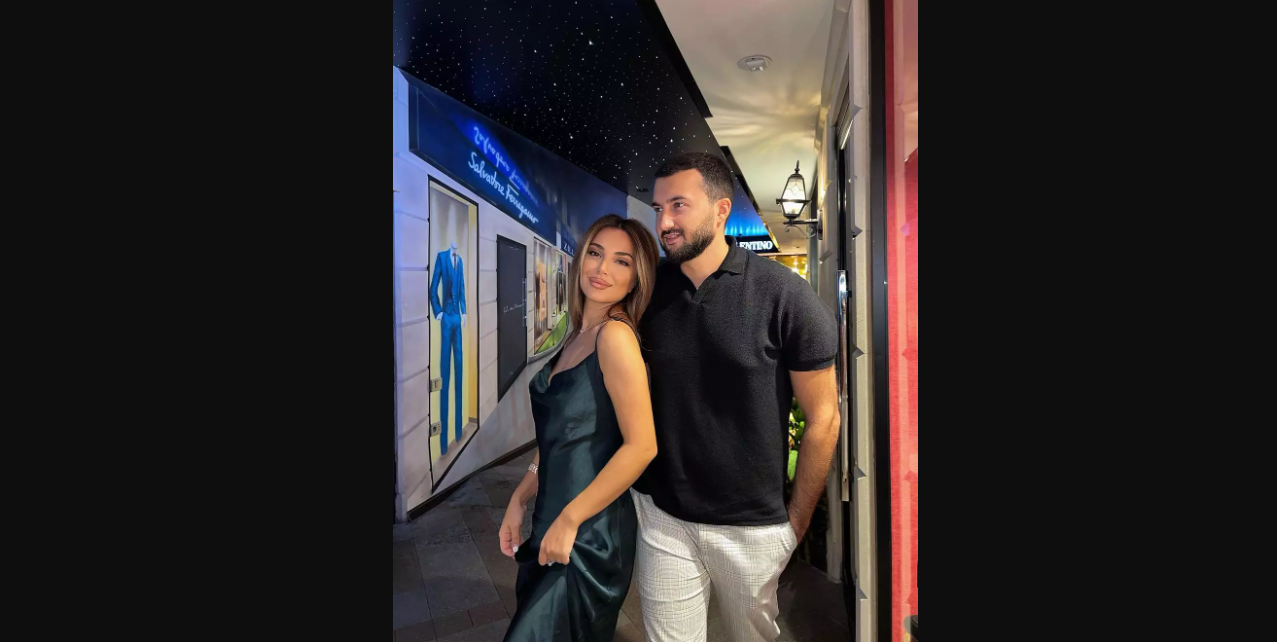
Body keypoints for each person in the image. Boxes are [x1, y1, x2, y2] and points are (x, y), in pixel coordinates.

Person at [633, 151, 840, 641]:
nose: (664, 223)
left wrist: (793, 527)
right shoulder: (647, 292)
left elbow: (824, 419)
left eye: (678, 205)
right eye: (658, 208)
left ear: (721, 210)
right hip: (662, 518)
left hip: (752, 528)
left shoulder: (785, 296)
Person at [499, 214, 661, 641]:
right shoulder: (575, 335)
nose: (602, 269)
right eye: (595, 253)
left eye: (621, 261)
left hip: (589, 529)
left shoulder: (615, 337)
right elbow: (559, 434)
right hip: (551, 517)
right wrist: (519, 496)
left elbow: (642, 446)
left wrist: (571, 519)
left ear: (637, 279)